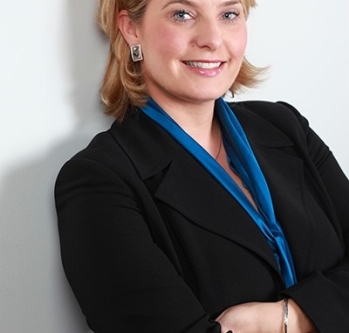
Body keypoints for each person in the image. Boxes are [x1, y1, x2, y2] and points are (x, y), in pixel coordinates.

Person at [54, 0, 349, 332]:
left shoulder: (285, 126)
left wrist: (288, 319)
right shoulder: (99, 181)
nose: (212, 38)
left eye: (229, 14)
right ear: (131, 28)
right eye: (182, 14)